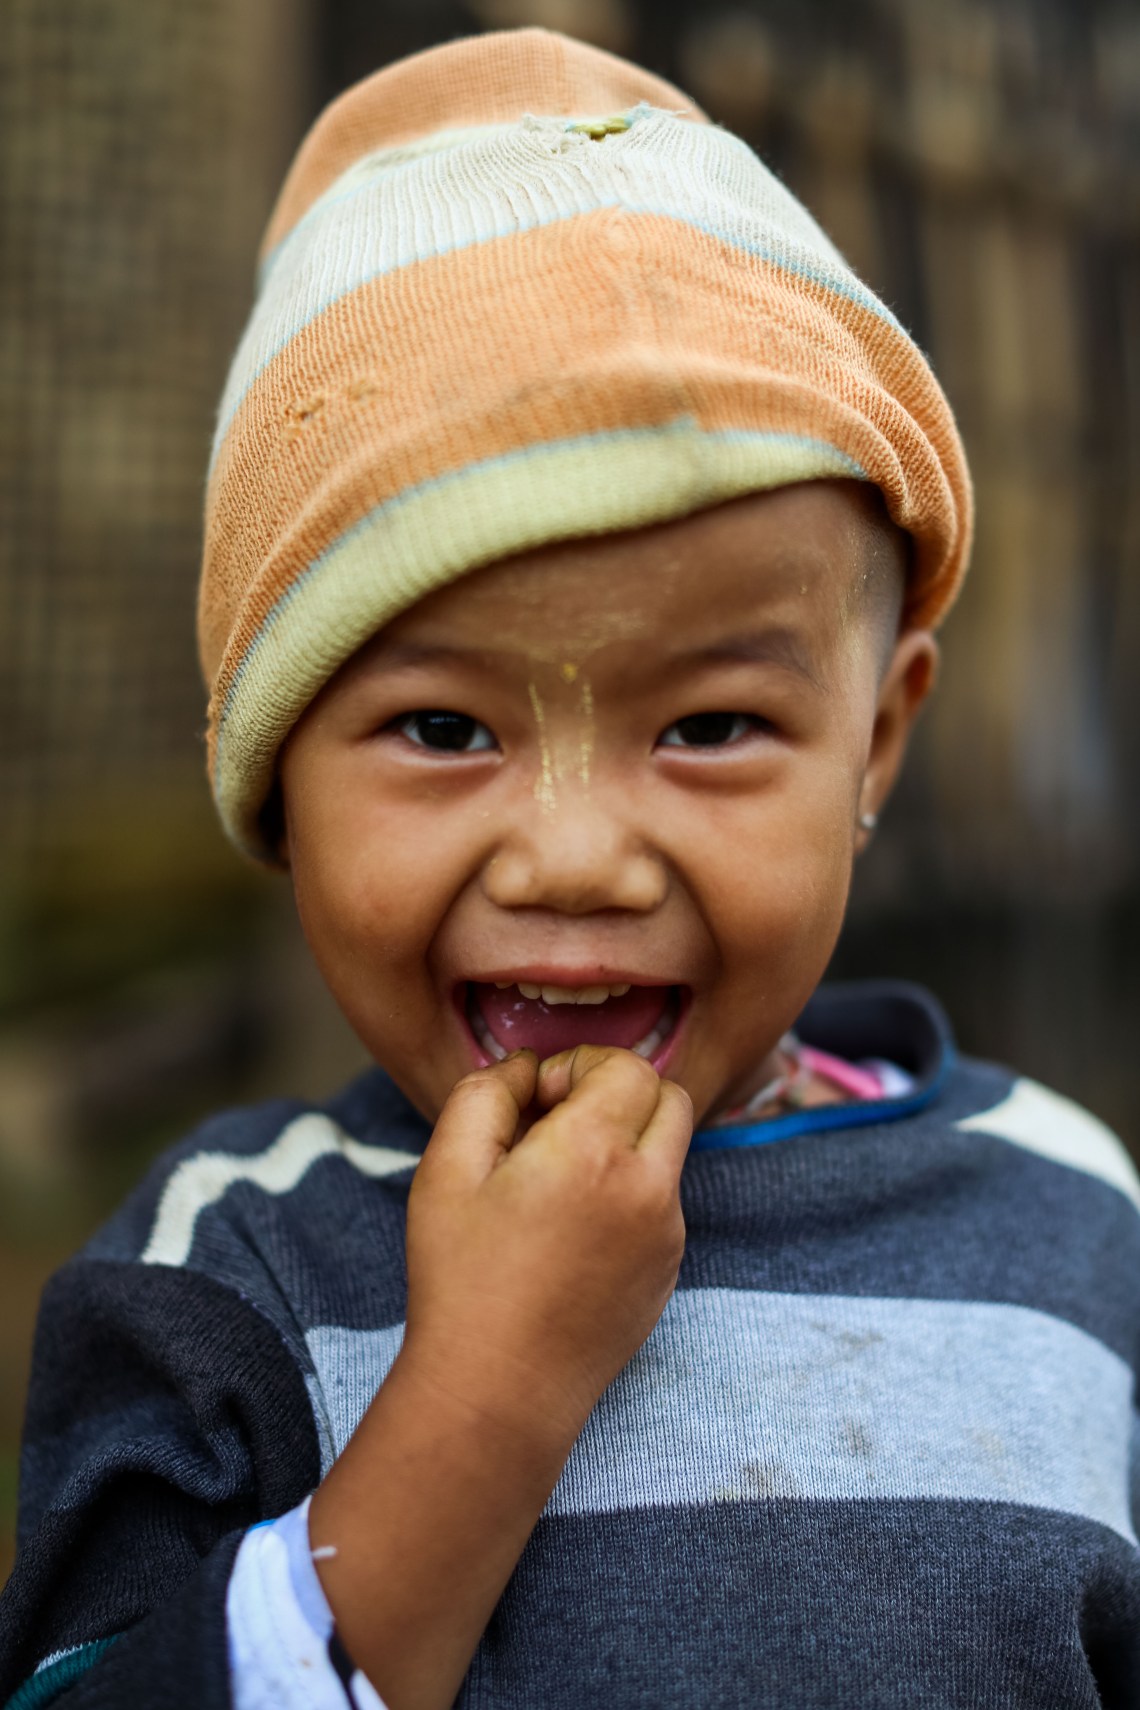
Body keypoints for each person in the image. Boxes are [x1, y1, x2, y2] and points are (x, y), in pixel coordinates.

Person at [2, 27, 1138, 1710]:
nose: (580, 858)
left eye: (712, 726)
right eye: (445, 732)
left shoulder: (1072, 1219)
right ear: (271, 780)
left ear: (877, 743)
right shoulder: (222, 1270)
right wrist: (482, 1400)